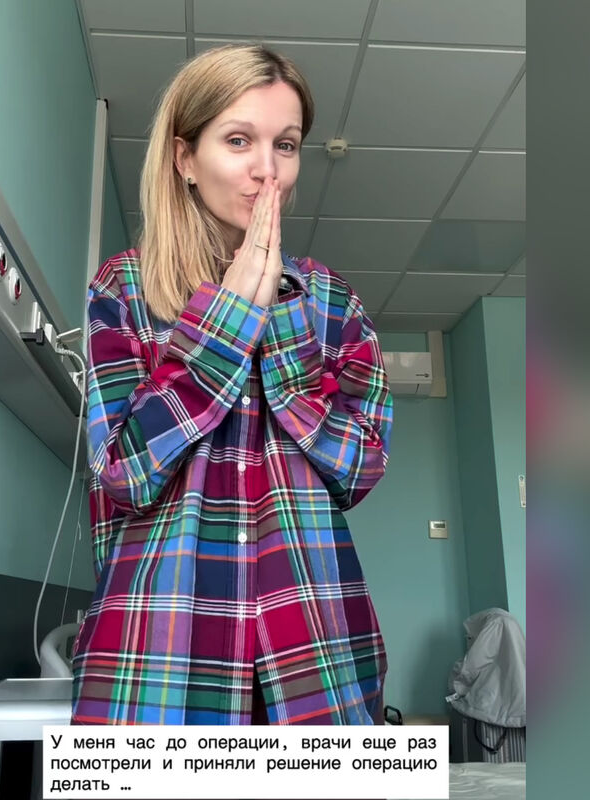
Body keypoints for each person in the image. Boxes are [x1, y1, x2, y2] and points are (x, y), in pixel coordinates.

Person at [71, 43, 392, 726]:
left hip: (315, 651)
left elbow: (361, 468)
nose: (267, 170)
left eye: (286, 144)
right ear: (185, 159)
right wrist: (228, 322)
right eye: (239, 140)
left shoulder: (331, 301)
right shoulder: (123, 289)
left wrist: (280, 331)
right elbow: (123, 472)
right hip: (159, 652)